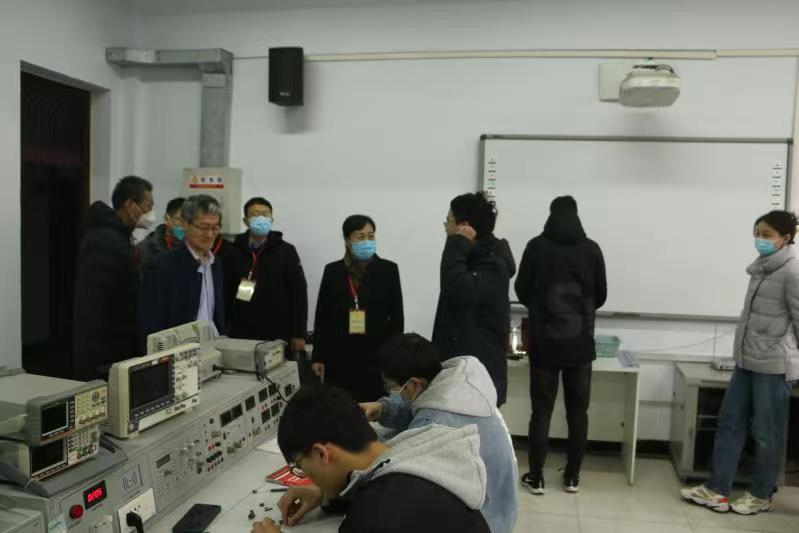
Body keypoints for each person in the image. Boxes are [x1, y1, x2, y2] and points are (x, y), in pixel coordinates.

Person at [680, 210, 799, 515]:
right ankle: (717, 489)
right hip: (746, 360)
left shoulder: (792, 272)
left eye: (767, 235)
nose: (760, 239)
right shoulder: (761, 268)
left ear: (786, 238)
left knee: (765, 433)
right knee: (730, 421)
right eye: (757, 233)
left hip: (774, 365)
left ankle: (761, 494)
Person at [250, 383, 489, 533]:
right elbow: (370, 484)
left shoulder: (375, 517)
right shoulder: (410, 455)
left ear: (322, 453)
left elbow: (382, 515)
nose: (308, 477)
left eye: (302, 467)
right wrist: (325, 495)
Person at [360, 333, 518, 533]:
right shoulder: (460, 385)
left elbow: (396, 466)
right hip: (503, 509)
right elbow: (417, 405)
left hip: (483, 521)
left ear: (415, 384)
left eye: (391, 387)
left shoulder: (435, 422)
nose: (391, 393)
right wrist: (383, 409)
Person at [514, 195, 606, 495]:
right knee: (578, 413)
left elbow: (522, 289)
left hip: (545, 344)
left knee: (541, 413)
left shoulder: (536, 247)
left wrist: (542, 307)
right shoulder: (592, 250)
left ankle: (536, 476)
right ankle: (572, 476)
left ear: (551, 215)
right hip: (580, 345)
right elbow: (601, 295)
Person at [432, 192, 515, 407]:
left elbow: (456, 290)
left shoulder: (493, 265)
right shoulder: (469, 259)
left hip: (477, 376)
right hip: (459, 369)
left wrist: (456, 243)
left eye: (449, 221)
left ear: (464, 226)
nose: (445, 228)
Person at [311, 215, 404, 401]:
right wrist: (318, 357)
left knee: (372, 408)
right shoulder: (333, 271)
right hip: (339, 356)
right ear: (347, 240)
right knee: (340, 407)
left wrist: (393, 359)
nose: (367, 241)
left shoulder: (388, 270)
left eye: (371, 236)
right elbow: (322, 317)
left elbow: (397, 319)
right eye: (360, 237)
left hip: (376, 357)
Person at [73, 176, 154, 380]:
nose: (151, 213)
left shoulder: (120, 236)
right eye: (148, 205)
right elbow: (99, 303)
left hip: (118, 341)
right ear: (130, 205)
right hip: (106, 347)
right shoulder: (105, 240)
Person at [223, 197, 308, 352]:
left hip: (278, 331)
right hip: (241, 331)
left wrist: (299, 333)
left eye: (265, 214)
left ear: (271, 219)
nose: (261, 218)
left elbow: (299, 293)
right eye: (255, 214)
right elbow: (225, 292)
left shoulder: (286, 251)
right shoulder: (233, 251)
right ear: (245, 221)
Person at [139, 195, 227, 339]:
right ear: (185, 224)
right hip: (179, 348)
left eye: (215, 228)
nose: (209, 234)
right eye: (203, 227)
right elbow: (150, 321)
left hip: (213, 346)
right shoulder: (162, 266)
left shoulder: (215, 265)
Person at [136, 197, 186, 269]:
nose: (185, 225)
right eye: (180, 220)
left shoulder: (195, 247)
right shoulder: (145, 249)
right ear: (166, 218)